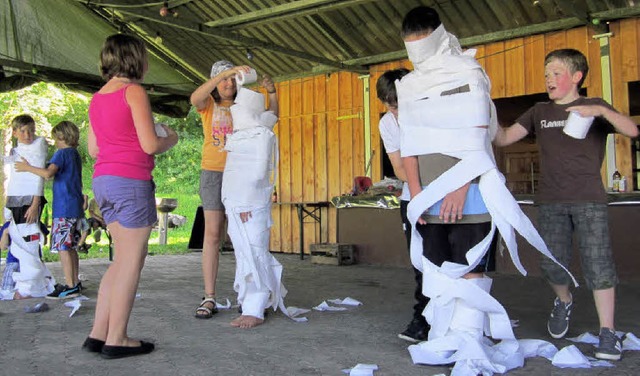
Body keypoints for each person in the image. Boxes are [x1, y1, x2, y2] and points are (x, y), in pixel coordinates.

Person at [397, 6, 571, 374]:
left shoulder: (469, 73)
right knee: (439, 267)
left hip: (471, 188)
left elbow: (477, 135)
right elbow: (409, 142)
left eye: (422, 46)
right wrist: (416, 195)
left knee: (471, 264)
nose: (418, 56)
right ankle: (447, 337)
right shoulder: (410, 85)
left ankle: (470, 339)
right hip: (426, 192)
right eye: (410, 48)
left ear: (439, 38)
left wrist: (461, 185)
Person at [494, 48, 639, 361]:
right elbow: (504, 138)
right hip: (550, 201)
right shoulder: (539, 111)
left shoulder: (594, 106)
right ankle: (564, 300)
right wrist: (483, 114)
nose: (549, 78)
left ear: (576, 76)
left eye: (556, 72)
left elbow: (632, 130)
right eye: (547, 74)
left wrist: (601, 113)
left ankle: (607, 334)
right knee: (551, 263)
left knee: (599, 266)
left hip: (589, 200)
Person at [84, 33, 178, 359]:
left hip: (103, 182)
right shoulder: (133, 92)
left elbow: (94, 148)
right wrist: (172, 138)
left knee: (120, 261)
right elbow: (150, 144)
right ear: (134, 59)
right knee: (130, 265)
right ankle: (117, 338)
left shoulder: (97, 98)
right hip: (131, 182)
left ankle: (98, 334)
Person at [190, 60, 262, 319]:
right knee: (212, 235)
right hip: (213, 173)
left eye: (232, 79)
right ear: (215, 81)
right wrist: (225, 72)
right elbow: (195, 97)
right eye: (223, 79)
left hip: (240, 173)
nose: (229, 83)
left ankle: (246, 293)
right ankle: (209, 296)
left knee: (241, 233)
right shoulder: (209, 106)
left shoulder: (246, 106)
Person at [222, 73, 282, 329]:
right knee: (243, 253)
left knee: (254, 251)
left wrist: (245, 203)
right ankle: (248, 301)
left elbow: (258, 173)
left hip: (250, 202)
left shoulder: (261, 135)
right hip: (235, 201)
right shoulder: (240, 135)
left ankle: (255, 308)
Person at [376, 69, 429, 342]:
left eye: (398, 104)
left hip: (444, 192)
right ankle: (423, 318)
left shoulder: (430, 110)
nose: (394, 111)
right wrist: (421, 190)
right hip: (414, 197)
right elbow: (398, 168)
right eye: (388, 105)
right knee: (419, 261)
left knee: (446, 258)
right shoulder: (387, 123)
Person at [15, 121, 85, 299]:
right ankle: (75, 282)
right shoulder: (74, 154)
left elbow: (48, 174)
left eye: (56, 138)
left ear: (62, 137)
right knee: (71, 247)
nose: (54, 142)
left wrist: (26, 167)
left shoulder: (61, 153)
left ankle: (69, 285)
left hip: (64, 208)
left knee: (62, 247)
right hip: (75, 207)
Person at [2, 114, 55, 300]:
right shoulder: (16, 150)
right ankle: (37, 283)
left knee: (29, 240)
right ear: (15, 132)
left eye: (31, 130)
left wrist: (35, 202)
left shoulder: (38, 146)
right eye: (23, 131)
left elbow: (37, 178)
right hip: (15, 199)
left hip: (29, 200)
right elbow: (15, 177)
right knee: (18, 240)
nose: (28, 135)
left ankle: (27, 288)